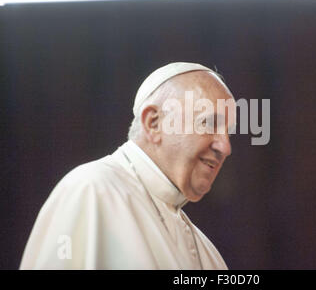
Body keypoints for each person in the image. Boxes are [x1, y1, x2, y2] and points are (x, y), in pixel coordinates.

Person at [20, 62, 236, 269]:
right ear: (153, 123)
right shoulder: (92, 190)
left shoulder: (208, 253)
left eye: (228, 131)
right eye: (209, 123)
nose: (225, 147)